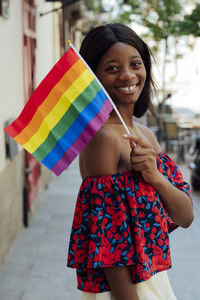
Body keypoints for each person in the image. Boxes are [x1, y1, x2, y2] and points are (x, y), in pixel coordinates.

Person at [67, 23, 194, 300]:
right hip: (126, 290)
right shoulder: (102, 138)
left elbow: (185, 217)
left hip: (156, 278)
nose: (127, 75)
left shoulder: (145, 134)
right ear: (94, 77)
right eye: (112, 68)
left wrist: (155, 176)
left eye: (135, 63)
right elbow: (108, 245)